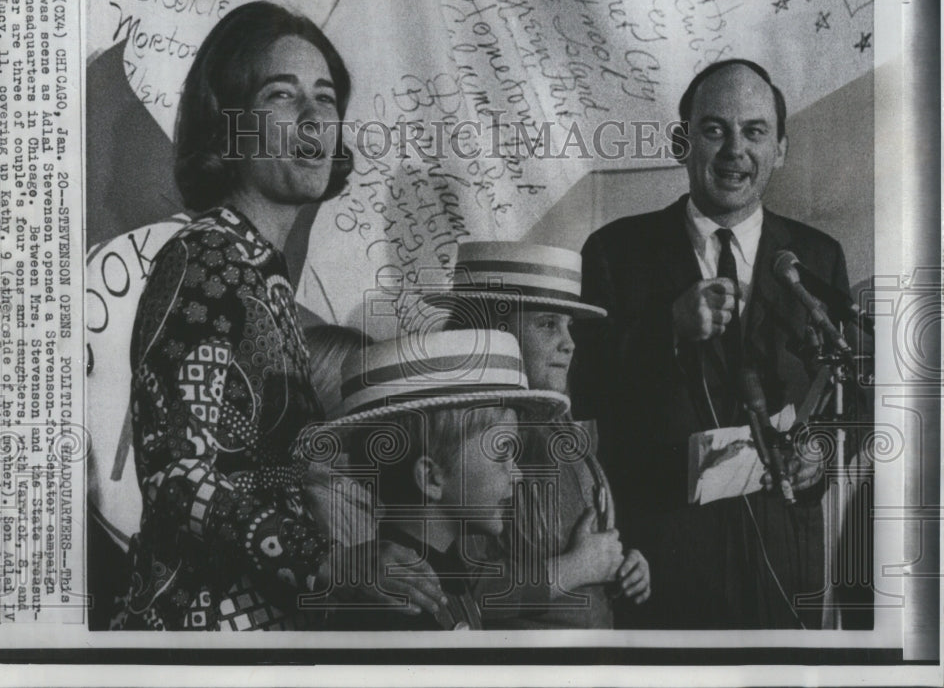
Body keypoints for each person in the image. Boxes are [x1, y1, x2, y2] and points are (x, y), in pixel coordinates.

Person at [113, 2, 446, 631]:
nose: (314, 116)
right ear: (228, 125)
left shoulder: (255, 272)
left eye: (325, 98)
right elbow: (177, 481)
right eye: (282, 95)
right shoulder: (206, 260)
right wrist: (328, 560)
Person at [573, 59, 855, 629]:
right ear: (682, 141)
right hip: (657, 562)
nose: (735, 150)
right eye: (714, 129)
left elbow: (853, 390)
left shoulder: (818, 258)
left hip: (783, 560)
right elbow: (582, 390)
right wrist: (666, 330)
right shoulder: (613, 252)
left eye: (754, 131)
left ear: (781, 148)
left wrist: (820, 453)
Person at [426, 241, 650, 628]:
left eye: (569, 325)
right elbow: (466, 593)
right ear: (491, 333)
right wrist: (578, 567)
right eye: (547, 324)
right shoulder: (468, 438)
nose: (569, 342)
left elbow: (584, 541)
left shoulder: (558, 425)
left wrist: (623, 566)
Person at [304, 329, 571, 630]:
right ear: (431, 477)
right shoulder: (401, 599)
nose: (517, 473)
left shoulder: (446, 571)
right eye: (501, 452)